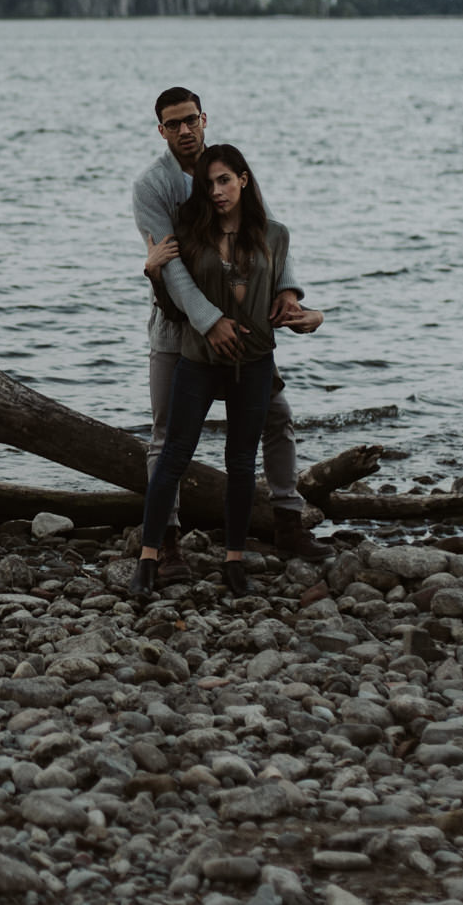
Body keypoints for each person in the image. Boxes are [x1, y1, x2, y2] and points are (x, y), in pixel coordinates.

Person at [130, 89, 328, 583]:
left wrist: (288, 292)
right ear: (161, 130)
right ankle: (166, 545)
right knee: (167, 437)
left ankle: (286, 520)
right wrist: (208, 320)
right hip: (178, 327)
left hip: (243, 326)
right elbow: (171, 265)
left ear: (204, 118)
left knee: (276, 418)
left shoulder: (226, 170)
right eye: (173, 124)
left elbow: (268, 233)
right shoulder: (152, 186)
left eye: (191, 120)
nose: (184, 130)